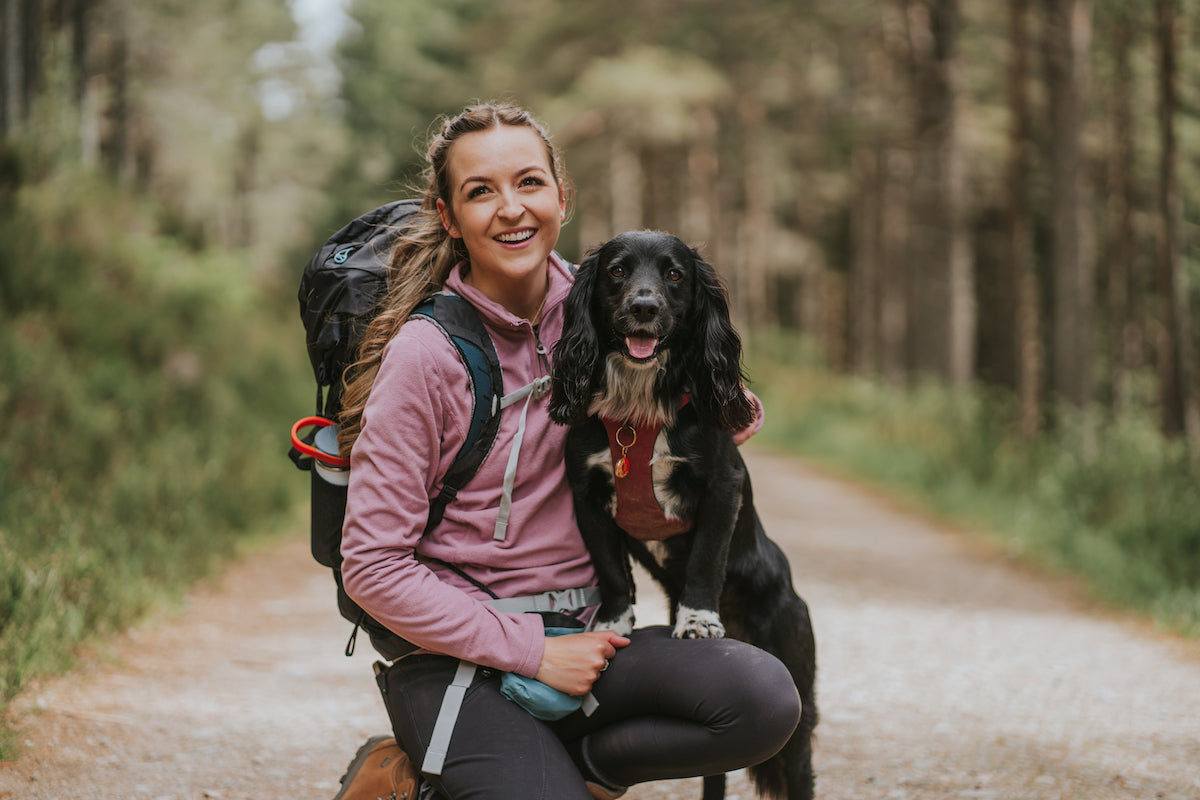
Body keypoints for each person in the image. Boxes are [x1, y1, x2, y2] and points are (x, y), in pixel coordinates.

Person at [332, 101, 799, 800]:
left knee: (763, 697)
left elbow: (696, 383)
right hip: (458, 657)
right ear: (449, 216)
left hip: (590, 643)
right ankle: (406, 773)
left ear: (561, 196)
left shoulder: (603, 301)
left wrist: (724, 401)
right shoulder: (425, 357)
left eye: (528, 182)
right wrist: (531, 652)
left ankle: (576, 772)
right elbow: (370, 567)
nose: (511, 208)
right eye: (480, 191)